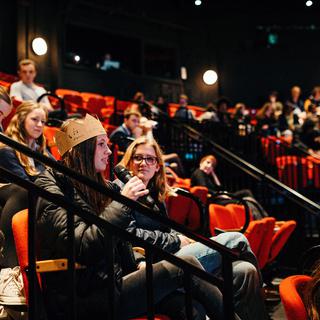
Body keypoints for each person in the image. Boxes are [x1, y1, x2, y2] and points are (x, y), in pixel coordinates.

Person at [35, 114, 231, 320]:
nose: (109, 151)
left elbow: (124, 236)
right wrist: (123, 202)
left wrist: (138, 262)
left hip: (113, 281)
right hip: (83, 297)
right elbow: (83, 247)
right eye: (101, 144)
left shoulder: (102, 187)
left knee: (191, 309)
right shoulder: (51, 185)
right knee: (187, 264)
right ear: (82, 149)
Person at [116, 137, 268, 320]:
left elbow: (166, 230)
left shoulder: (155, 195)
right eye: (138, 157)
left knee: (245, 270)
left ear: (157, 166)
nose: (143, 163)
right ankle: (263, 286)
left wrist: (179, 237)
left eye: (150, 159)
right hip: (155, 264)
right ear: (128, 161)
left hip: (171, 253)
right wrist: (177, 240)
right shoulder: (121, 190)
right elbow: (127, 234)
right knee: (237, 239)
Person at [0, 101, 52, 267]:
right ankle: (9, 267)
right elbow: (27, 184)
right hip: (17, 200)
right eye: (34, 119)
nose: (39, 125)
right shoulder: (8, 150)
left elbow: (58, 176)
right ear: (22, 119)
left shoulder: (41, 151)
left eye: (43, 122)